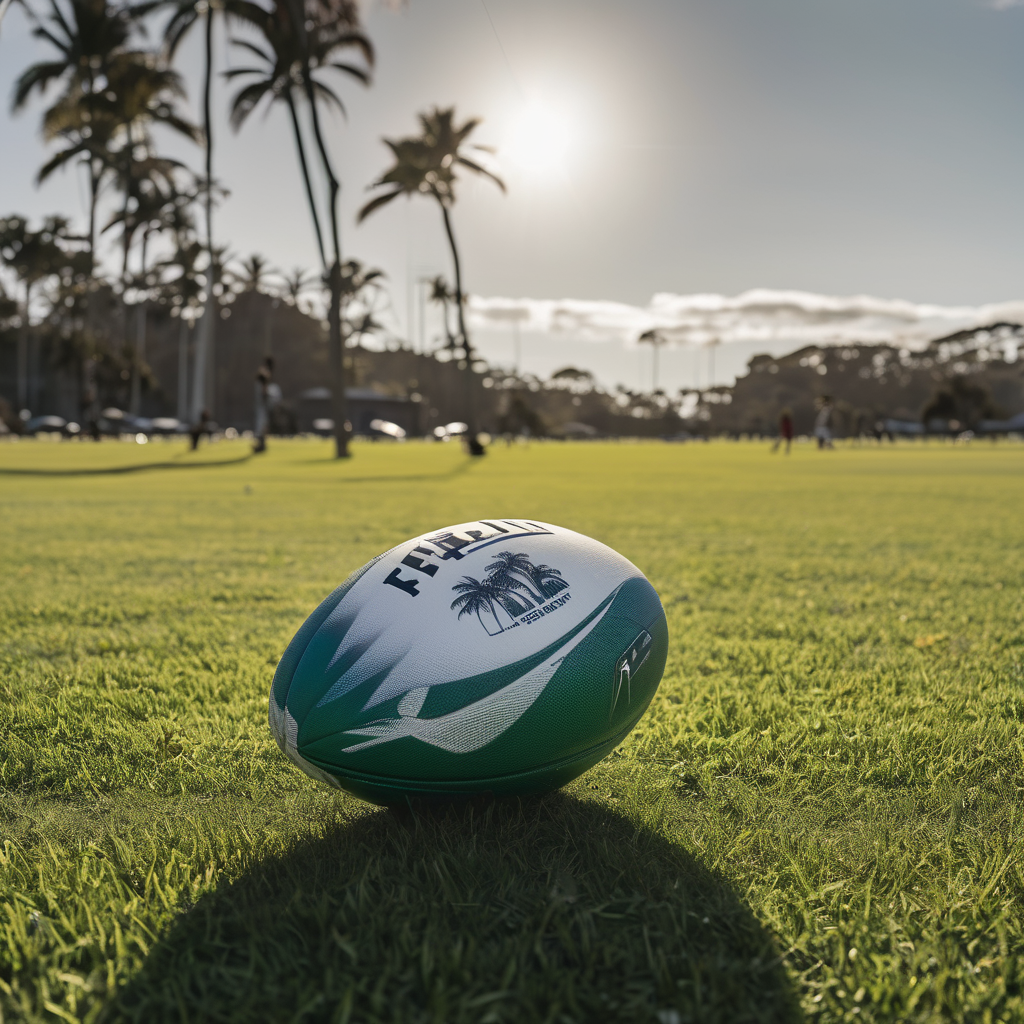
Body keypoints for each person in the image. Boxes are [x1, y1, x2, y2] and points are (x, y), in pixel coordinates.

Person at [253, 357, 273, 453]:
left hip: (262, 406)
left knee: (261, 426)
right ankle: (261, 445)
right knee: (262, 426)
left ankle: (261, 445)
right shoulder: (264, 374)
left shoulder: (263, 374)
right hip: (262, 405)